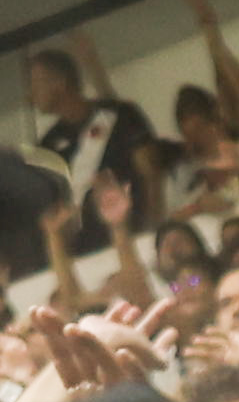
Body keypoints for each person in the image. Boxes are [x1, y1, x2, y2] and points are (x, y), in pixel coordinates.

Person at [23, 43, 153, 255]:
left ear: (60, 83)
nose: (31, 94)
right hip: (87, 256)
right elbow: (53, 212)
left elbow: (151, 174)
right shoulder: (47, 148)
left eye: (36, 83)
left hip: (137, 241)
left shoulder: (120, 115)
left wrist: (153, 229)